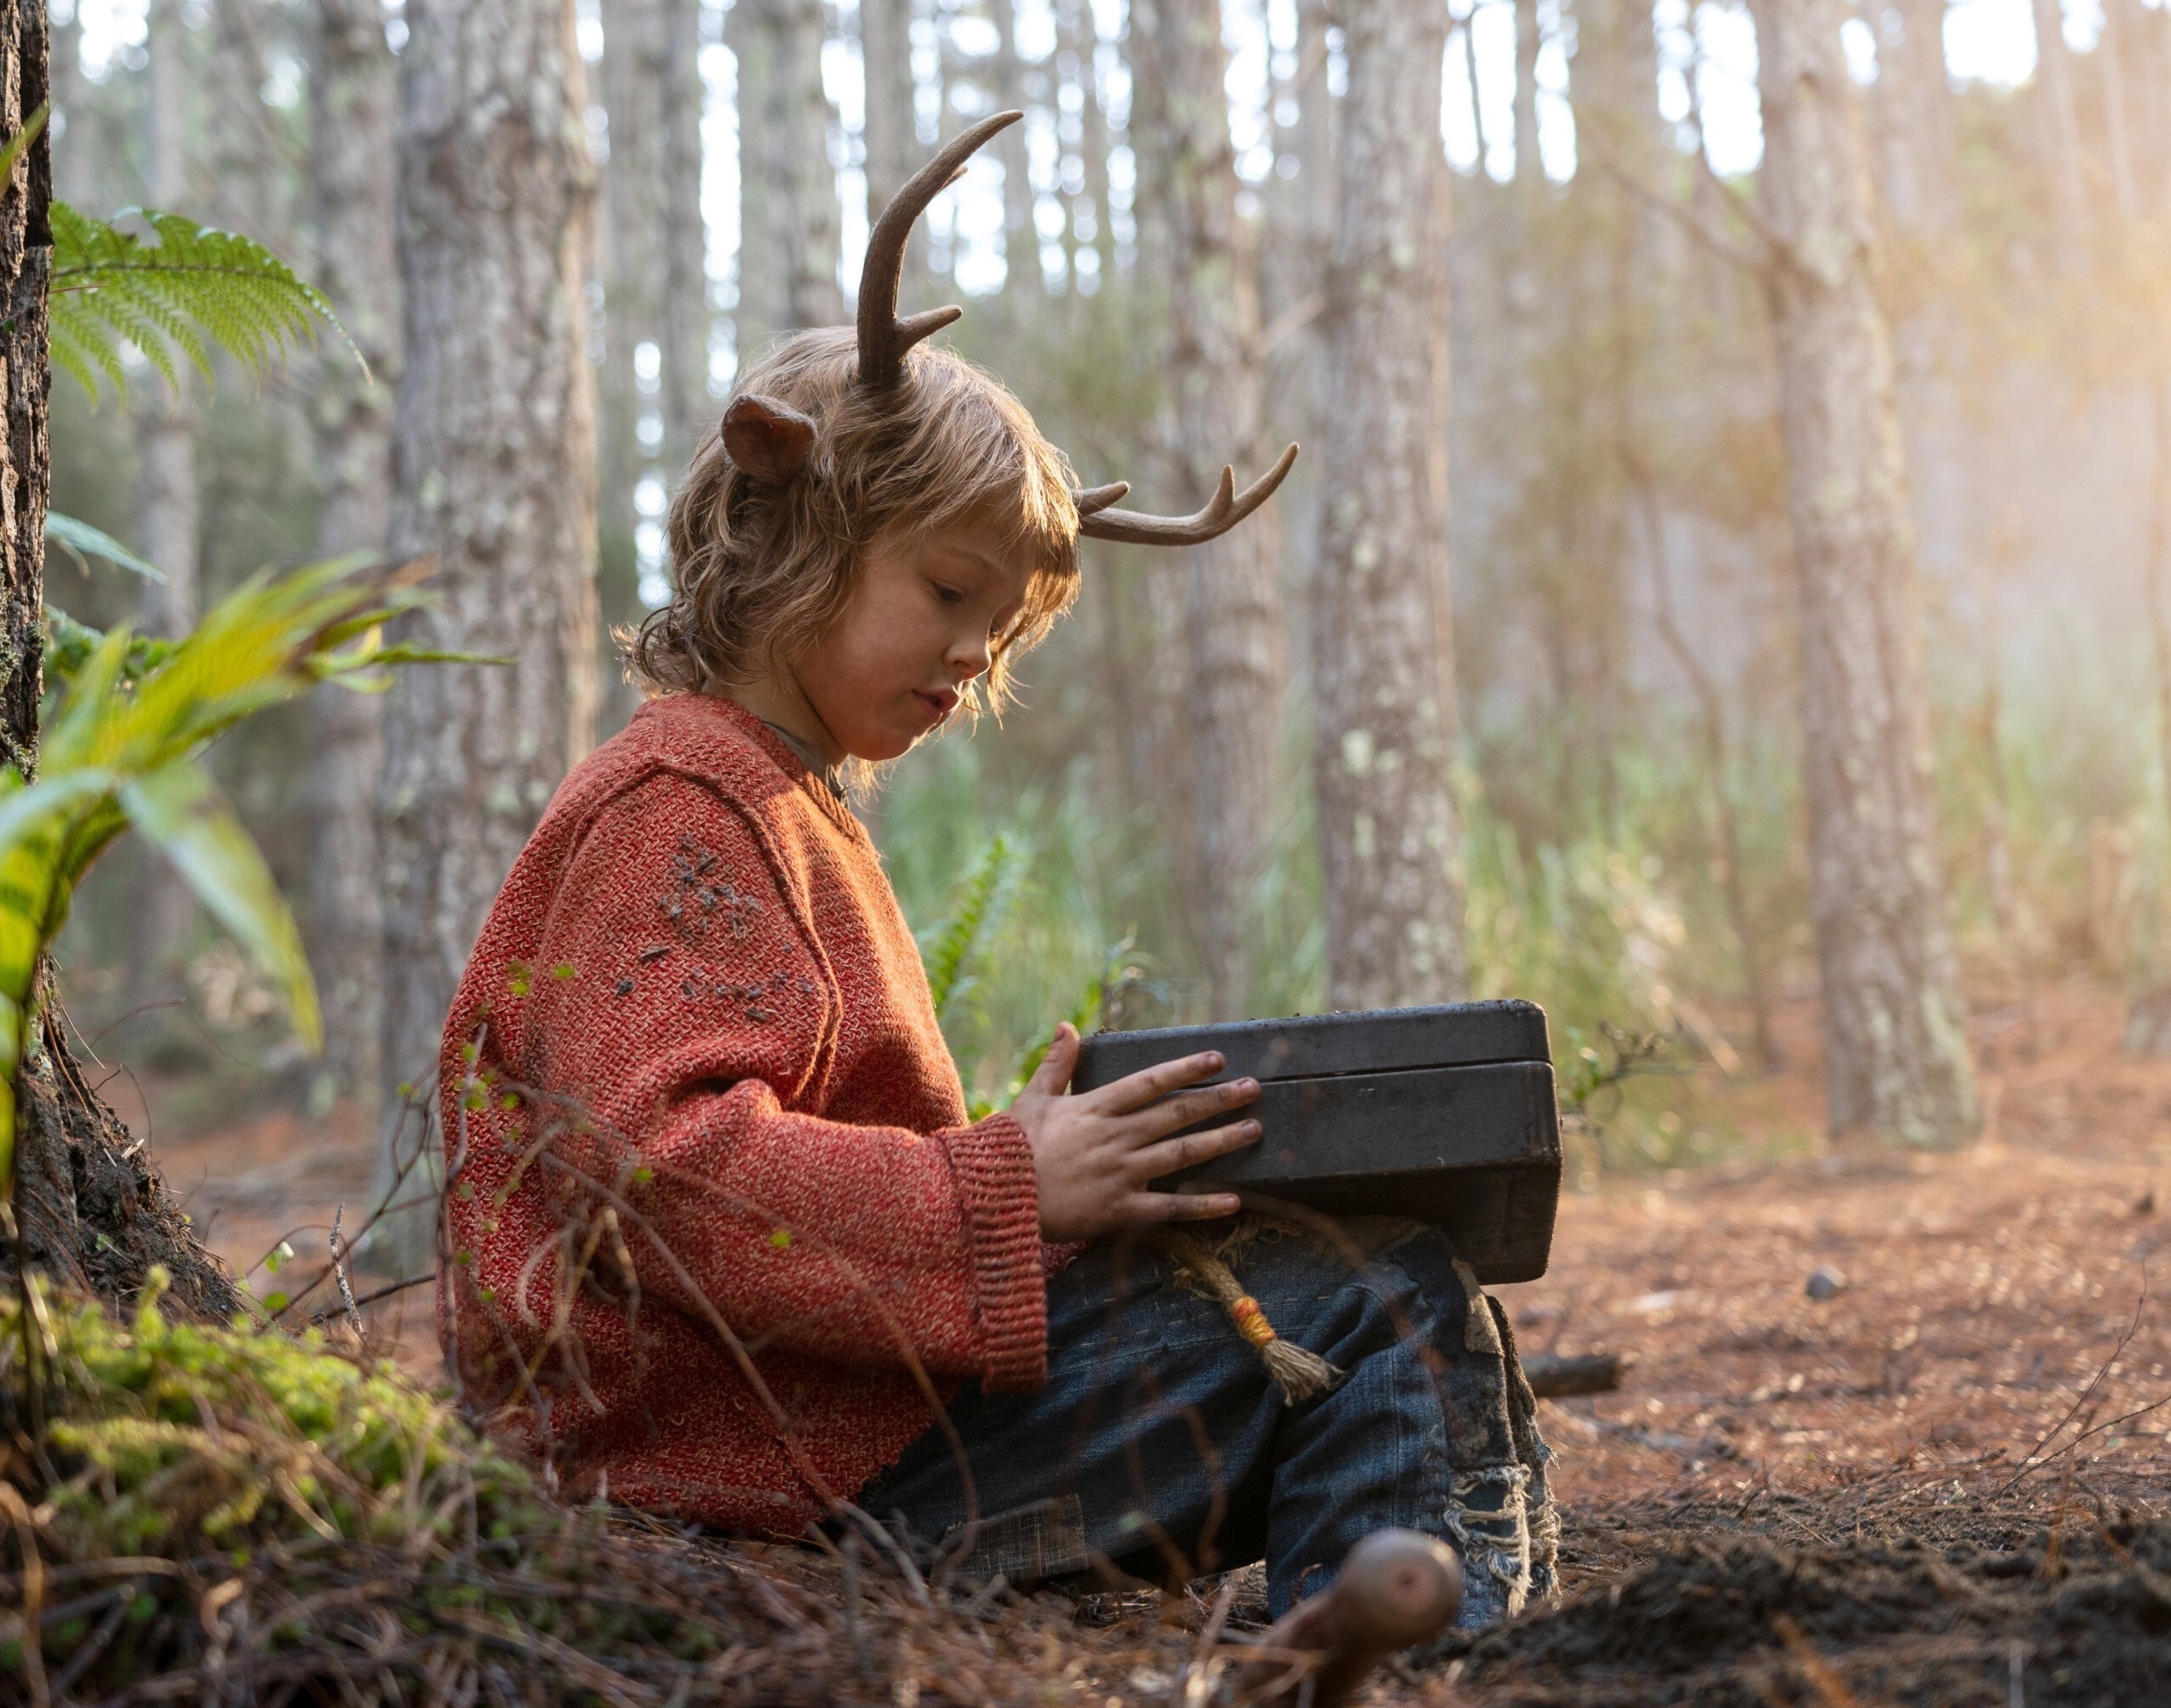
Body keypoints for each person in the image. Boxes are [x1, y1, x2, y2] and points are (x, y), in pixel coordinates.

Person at [438, 114, 1553, 1630]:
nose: (973, 656)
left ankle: (1404, 1639)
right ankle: (1425, 1665)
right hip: (738, 1486)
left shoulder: (775, 795)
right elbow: (662, 1171)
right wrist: (1009, 1187)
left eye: (1006, 628)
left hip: (818, 1441)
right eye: (950, 591)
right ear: (789, 516)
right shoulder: (681, 801)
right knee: (1385, 1308)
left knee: (1410, 1295)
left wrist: (1037, 1178)